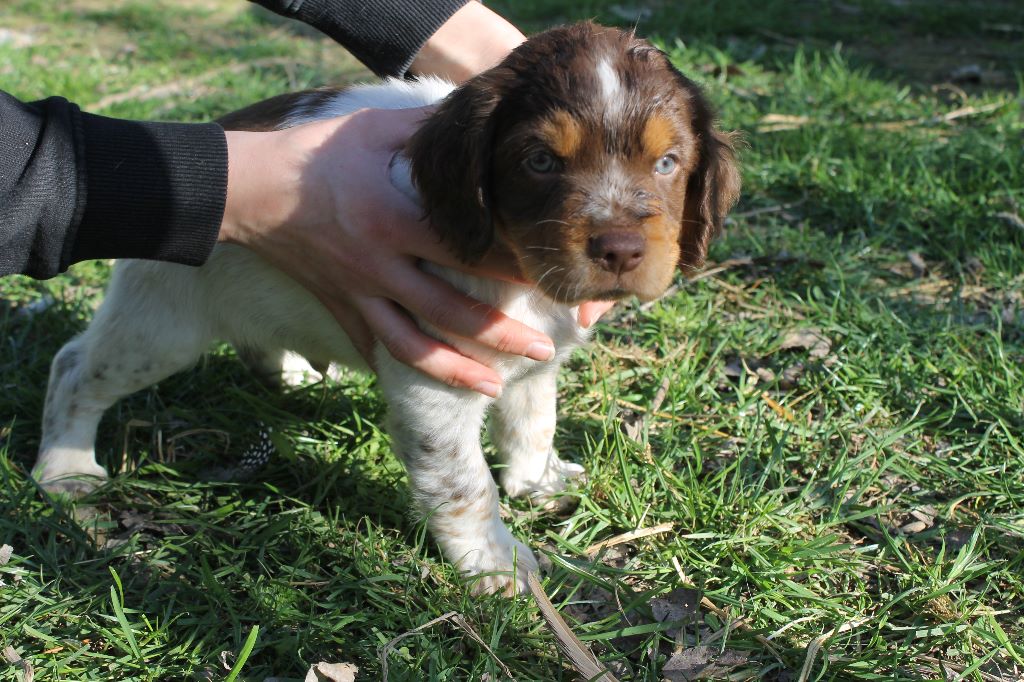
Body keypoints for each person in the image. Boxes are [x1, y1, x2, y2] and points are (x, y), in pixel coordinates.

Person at [0, 1, 612, 397]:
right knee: (149, 347)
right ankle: (71, 419)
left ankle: (267, 346)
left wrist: (451, 29)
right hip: (193, 264)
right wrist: (229, 190)